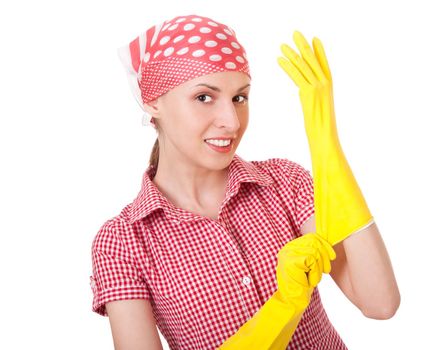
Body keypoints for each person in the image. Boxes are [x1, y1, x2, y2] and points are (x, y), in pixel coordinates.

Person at [90, 14, 400, 350]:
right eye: (204, 97)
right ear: (153, 101)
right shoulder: (122, 242)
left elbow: (379, 302)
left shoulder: (284, 183)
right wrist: (282, 309)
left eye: (240, 97)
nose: (231, 121)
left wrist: (325, 141)